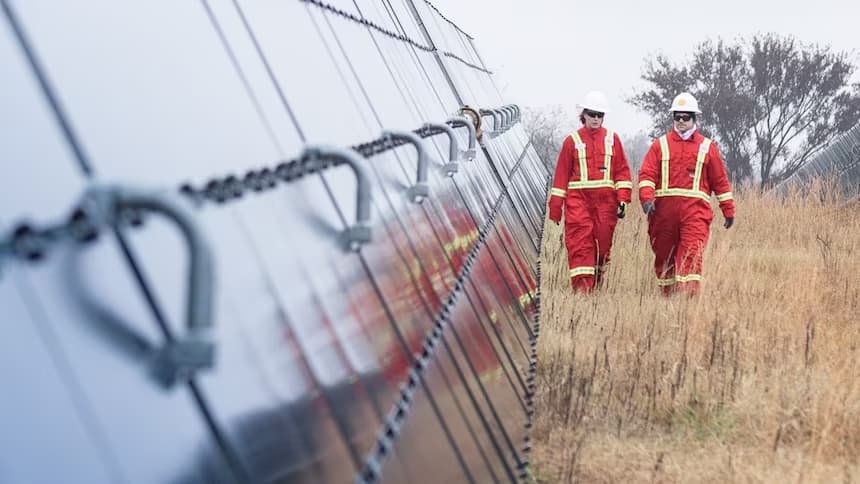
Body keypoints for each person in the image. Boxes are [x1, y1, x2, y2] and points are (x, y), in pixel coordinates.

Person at [637, 92, 735, 295]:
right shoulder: (660, 145)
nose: (681, 121)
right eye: (677, 117)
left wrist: (728, 210)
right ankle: (668, 299)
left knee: (691, 254)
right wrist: (646, 199)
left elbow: (720, 182)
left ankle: (688, 300)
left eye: (686, 117)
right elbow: (647, 174)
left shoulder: (708, 147)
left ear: (694, 119)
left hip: (695, 214)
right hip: (663, 215)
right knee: (664, 257)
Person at [548, 91, 633, 292]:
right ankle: (582, 292)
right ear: (584, 114)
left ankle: (595, 283)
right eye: (593, 114)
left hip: (606, 205)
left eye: (600, 115)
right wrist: (555, 208)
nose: (596, 118)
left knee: (602, 248)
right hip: (579, 203)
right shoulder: (572, 141)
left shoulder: (613, 139)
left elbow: (622, 172)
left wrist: (623, 199)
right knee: (580, 245)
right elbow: (561, 176)